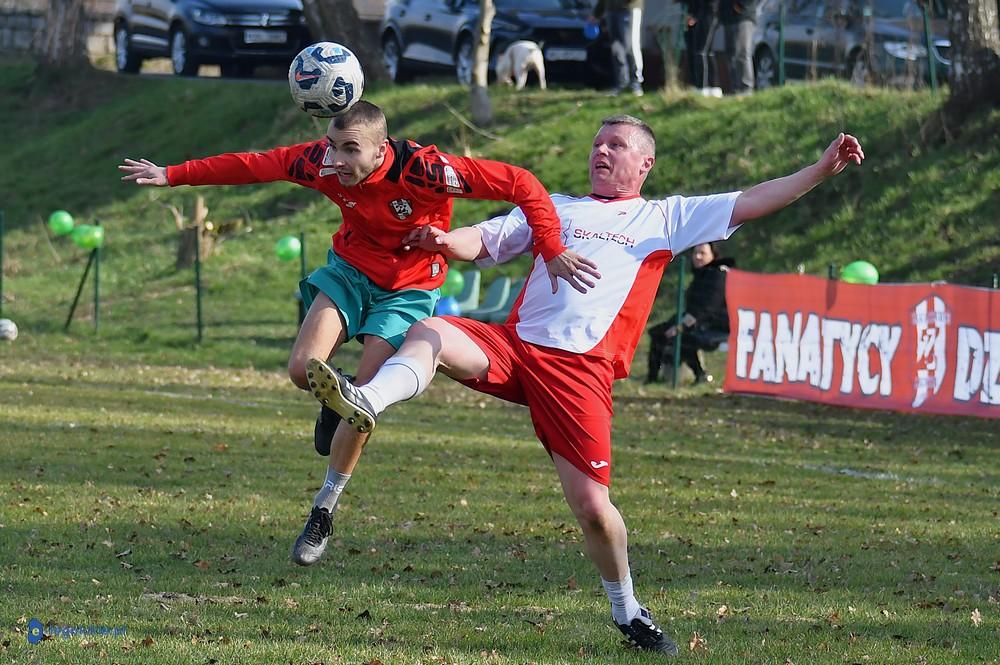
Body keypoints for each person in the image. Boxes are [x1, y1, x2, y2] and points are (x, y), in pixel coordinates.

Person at [301, 115, 864, 655]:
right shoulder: (554, 207)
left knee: (593, 508)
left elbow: (754, 199)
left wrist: (818, 170)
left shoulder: (666, 217)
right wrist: (444, 241)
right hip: (516, 348)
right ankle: (364, 398)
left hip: (579, 374)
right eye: (598, 143)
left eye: (616, 145)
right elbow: (485, 238)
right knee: (432, 330)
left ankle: (628, 610)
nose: (601, 151)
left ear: (644, 164)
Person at [118, 100, 599, 565]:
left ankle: (323, 509)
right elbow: (254, 165)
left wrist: (551, 247)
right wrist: (172, 174)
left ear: (379, 148)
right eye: (331, 145)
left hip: (408, 289)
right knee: (299, 371)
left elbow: (524, 184)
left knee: (363, 407)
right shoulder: (321, 163)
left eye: (349, 149)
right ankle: (334, 391)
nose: (336, 159)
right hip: (350, 272)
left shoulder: (427, 170)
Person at [647, 241, 733, 384]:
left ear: (713, 256)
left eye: (703, 253)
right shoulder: (700, 275)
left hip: (715, 326)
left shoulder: (718, 276)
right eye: (695, 253)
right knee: (658, 333)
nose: (698, 257)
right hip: (696, 322)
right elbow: (692, 309)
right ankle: (652, 379)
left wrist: (680, 327)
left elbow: (706, 310)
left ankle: (701, 375)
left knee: (682, 337)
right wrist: (673, 324)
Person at [591, 0, 645, 96]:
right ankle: (621, 83)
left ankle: (636, 83)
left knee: (631, 46)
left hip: (629, 8)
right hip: (611, 10)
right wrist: (597, 13)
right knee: (616, 48)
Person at [684, 0, 723, 96]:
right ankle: (713, 86)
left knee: (702, 51)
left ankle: (702, 86)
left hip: (710, 14)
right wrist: (693, 14)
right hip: (702, 14)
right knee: (707, 52)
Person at [721, 0, 758, 95]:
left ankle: (746, 88)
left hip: (743, 16)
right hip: (728, 17)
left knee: (742, 53)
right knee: (731, 55)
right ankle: (735, 88)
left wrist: (740, 5)